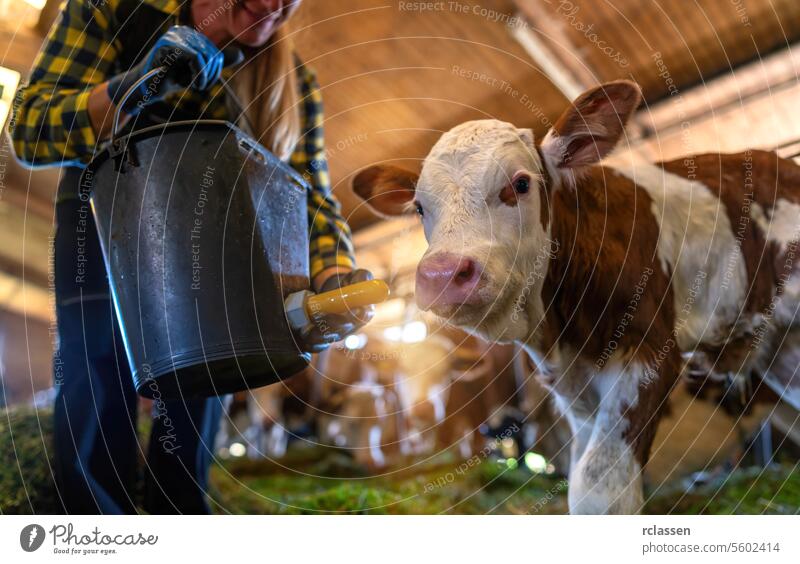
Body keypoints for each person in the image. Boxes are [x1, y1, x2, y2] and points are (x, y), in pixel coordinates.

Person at [10, 0, 371, 514]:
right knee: (96, 394)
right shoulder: (113, 9)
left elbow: (308, 195)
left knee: (197, 412)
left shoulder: (292, 80)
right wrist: (131, 88)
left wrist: (336, 274)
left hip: (220, 257)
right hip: (106, 235)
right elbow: (29, 126)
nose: (272, 5)